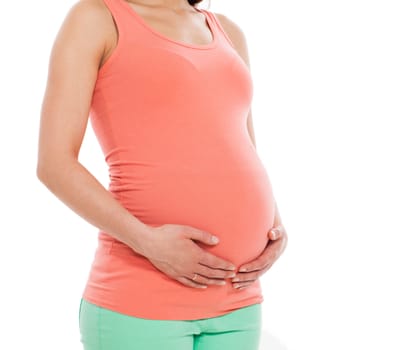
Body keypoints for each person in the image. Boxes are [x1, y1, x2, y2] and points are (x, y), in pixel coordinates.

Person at [36, 0, 288, 348]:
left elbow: (242, 146)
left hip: (238, 298)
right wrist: (148, 242)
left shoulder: (228, 31)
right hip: (141, 299)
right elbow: (55, 164)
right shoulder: (97, 18)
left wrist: (273, 226)